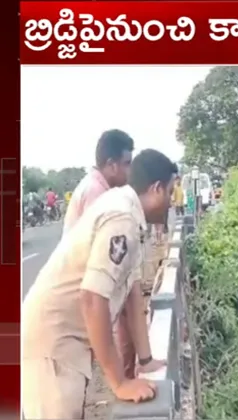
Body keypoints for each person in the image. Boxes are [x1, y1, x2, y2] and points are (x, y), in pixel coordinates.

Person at [21, 149, 178, 419]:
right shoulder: (123, 219)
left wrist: (146, 359)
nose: (174, 202)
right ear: (156, 189)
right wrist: (119, 382)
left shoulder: (130, 212)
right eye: (172, 192)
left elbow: (132, 294)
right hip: (52, 346)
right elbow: (93, 297)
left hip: (68, 346)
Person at [63, 129, 140, 382]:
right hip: (79, 289)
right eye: (127, 164)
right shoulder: (98, 193)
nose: (130, 173)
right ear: (111, 165)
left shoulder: (96, 187)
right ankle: (121, 380)